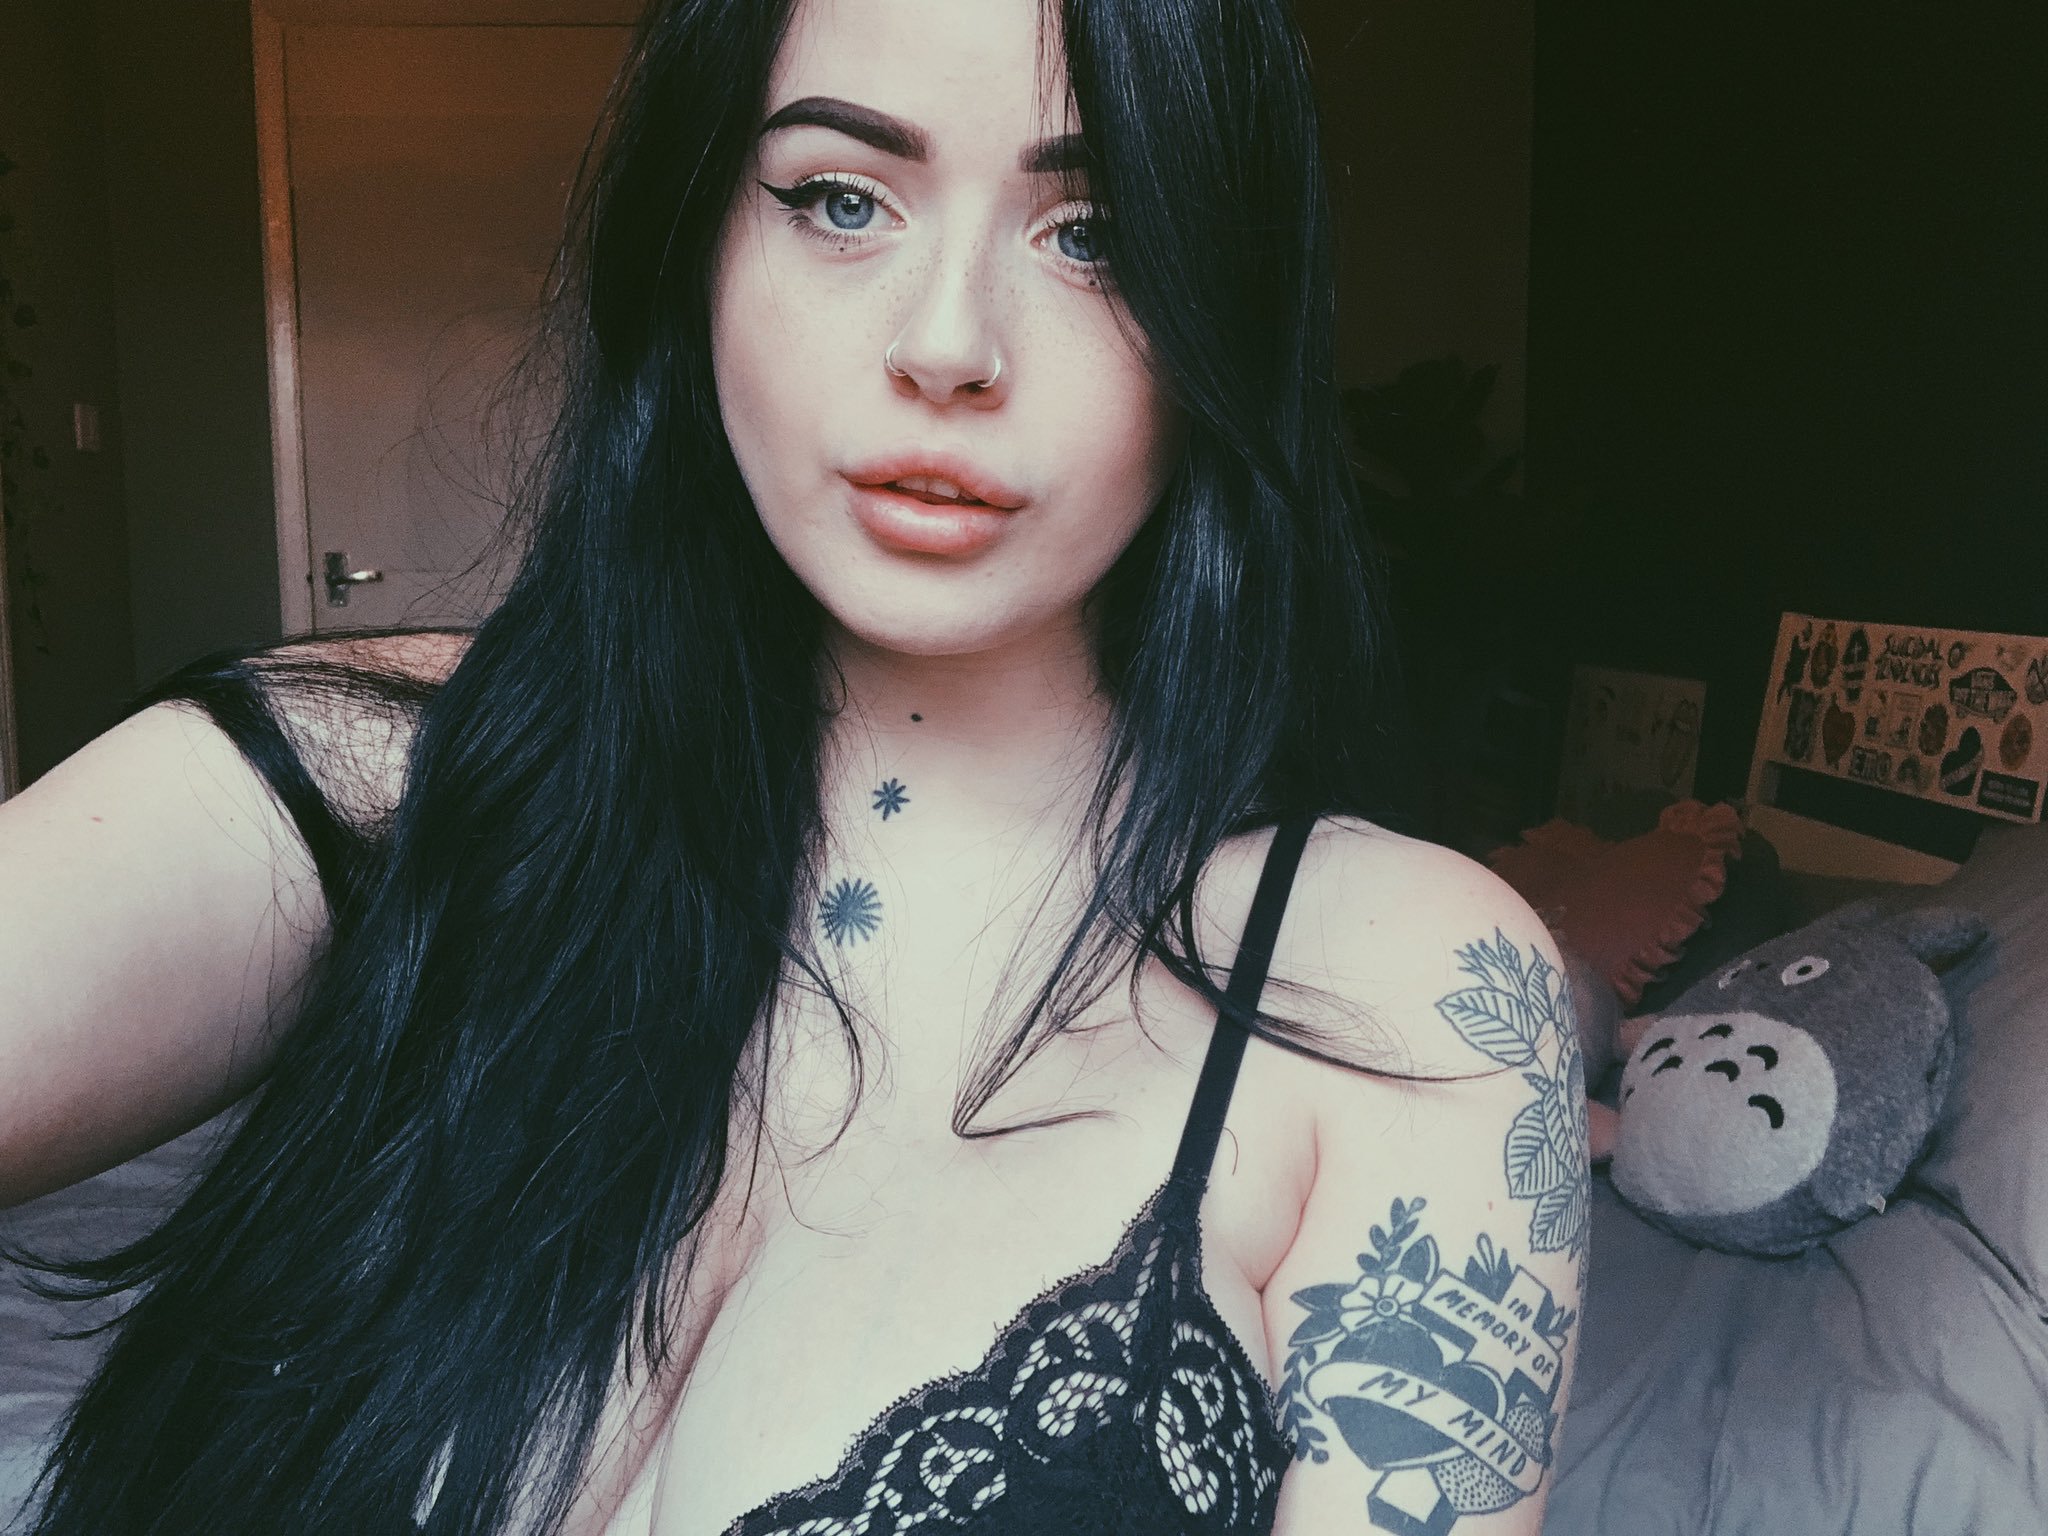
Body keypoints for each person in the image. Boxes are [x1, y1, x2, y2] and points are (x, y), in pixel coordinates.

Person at [0, 0, 1587, 1531]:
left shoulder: (1411, 997)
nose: (948, 345)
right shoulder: (369, 770)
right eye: (840, 200)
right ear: (698, 238)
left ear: (1223, 306)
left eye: (1094, 235)